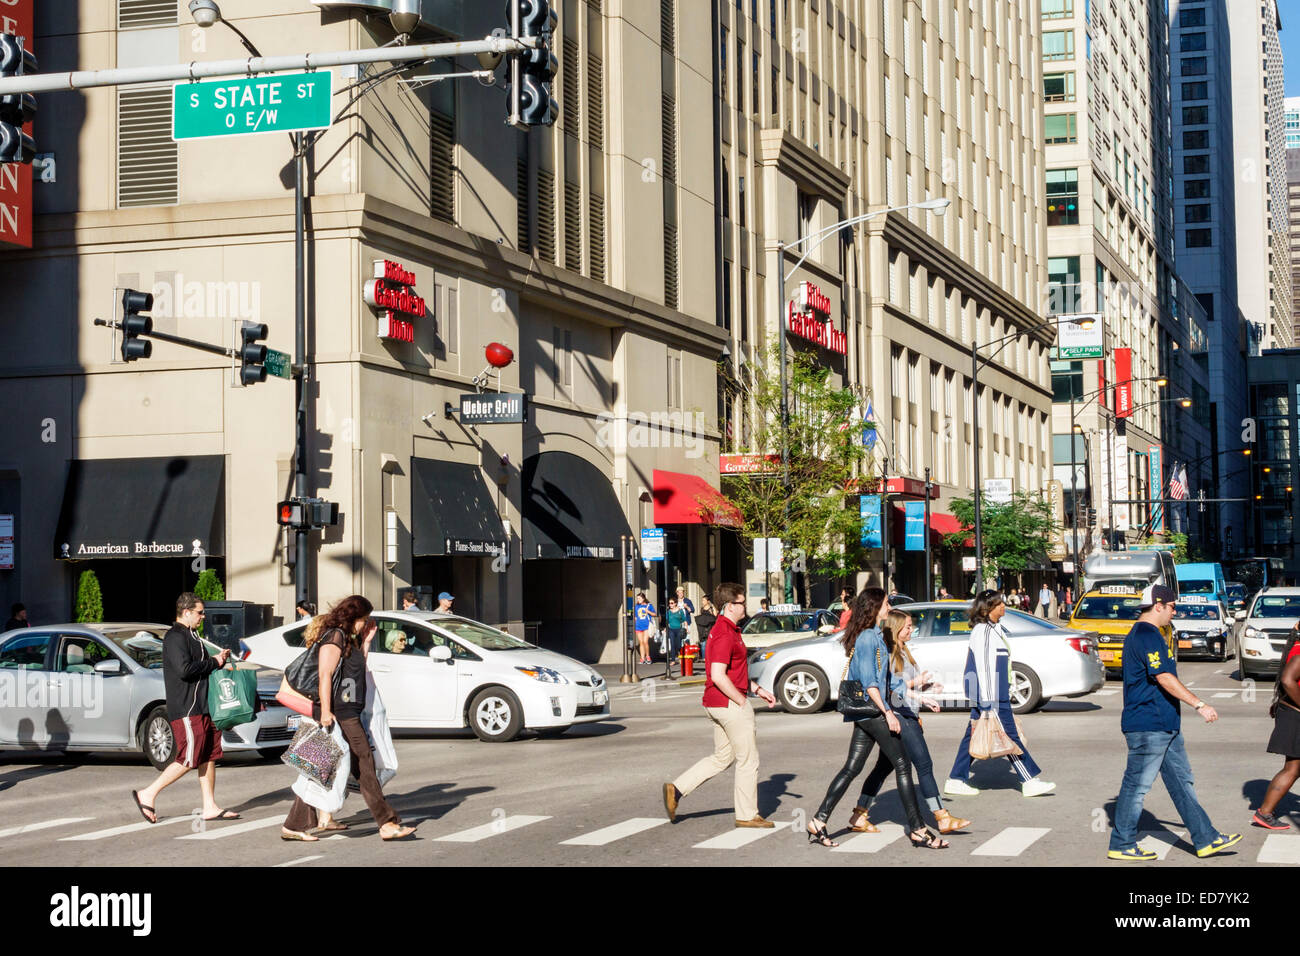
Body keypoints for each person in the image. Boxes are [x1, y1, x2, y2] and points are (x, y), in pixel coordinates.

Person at [1107, 584, 1241, 860]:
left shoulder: (1150, 634)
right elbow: (1163, 677)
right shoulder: (1146, 634)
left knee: (1182, 782)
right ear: (1158, 605)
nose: (1174, 611)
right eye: (1171, 606)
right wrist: (1199, 704)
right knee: (1136, 786)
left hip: (1164, 724)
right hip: (1148, 724)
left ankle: (1206, 838)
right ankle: (1121, 844)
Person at [807, 588, 948, 850]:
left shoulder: (875, 636)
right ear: (874, 607)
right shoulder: (868, 639)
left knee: (853, 767)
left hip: (867, 710)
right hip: (872, 710)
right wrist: (888, 713)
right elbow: (872, 684)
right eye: (885, 603)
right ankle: (918, 829)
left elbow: (890, 681)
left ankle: (818, 820)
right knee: (903, 764)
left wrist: (918, 697)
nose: (889, 606)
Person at [281, 595, 416, 842]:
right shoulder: (334, 636)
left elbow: (354, 674)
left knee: (329, 766)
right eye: (364, 620)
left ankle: (294, 824)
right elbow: (325, 674)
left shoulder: (349, 639)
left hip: (349, 713)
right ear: (354, 617)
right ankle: (386, 823)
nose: (365, 625)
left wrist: (365, 644)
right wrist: (325, 712)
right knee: (361, 761)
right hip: (339, 714)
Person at [662, 582, 777, 828]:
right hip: (728, 704)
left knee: (722, 757)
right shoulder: (725, 632)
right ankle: (747, 815)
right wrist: (741, 700)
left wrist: (757, 689)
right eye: (741, 602)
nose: (745, 606)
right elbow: (717, 674)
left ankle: (676, 789)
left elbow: (734, 671)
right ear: (728, 606)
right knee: (749, 759)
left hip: (716, 703)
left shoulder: (726, 629)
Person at [851, 610, 973, 835]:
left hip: (907, 712)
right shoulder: (886, 652)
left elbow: (905, 687)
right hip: (898, 715)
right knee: (924, 764)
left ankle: (859, 813)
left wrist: (926, 688)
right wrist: (917, 686)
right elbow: (890, 687)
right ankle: (941, 817)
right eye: (907, 626)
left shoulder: (904, 651)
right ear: (896, 628)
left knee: (883, 767)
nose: (911, 629)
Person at [132, 593, 238, 825]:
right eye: (200, 612)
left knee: (209, 756)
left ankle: (209, 806)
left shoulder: (192, 635)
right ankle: (148, 793)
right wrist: (214, 662)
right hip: (188, 708)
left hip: (204, 705)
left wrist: (217, 660)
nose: (203, 616)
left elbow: (199, 667)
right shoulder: (175, 636)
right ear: (186, 612)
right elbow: (184, 670)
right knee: (188, 758)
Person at [945, 590, 1055, 798]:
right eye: (999, 604)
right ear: (988, 609)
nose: (1004, 606)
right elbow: (985, 667)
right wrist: (989, 701)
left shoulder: (994, 629)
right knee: (1008, 734)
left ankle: (956, 779)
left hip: (994, 692)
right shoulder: (984, 631)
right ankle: (1029, 780)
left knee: (974, 734)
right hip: (991, 694)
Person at [1253, 622, 1300, 830]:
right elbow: (1288, 680)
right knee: (1292, 768)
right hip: (1295, 715)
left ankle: (1265, 812)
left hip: (1291, 713)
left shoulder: (1295, 647)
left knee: (1294, 768)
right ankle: (1264, 812)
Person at [665, 598, 689, 673]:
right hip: (671, 629)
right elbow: (667, 621)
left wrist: (687, 628)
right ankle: (672, 660)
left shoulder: (680, 611)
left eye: (672, 603)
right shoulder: (668, 612)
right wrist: (666, 628)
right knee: (672, 644)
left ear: (675, 603)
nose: (670, 605)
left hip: (679, 629)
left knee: (678, 645)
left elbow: (684, 620)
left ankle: (680, 657)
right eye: (669, 603)